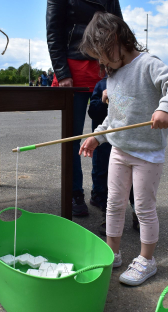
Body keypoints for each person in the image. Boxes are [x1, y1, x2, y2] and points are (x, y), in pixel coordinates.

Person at [79, 12, 168, 286]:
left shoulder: (148, 63)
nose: (101, 62)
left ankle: (146, 260)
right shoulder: (113, 74)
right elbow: (116, 116)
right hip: (119, 151)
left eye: (102, 54)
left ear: (116, 39)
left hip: (147, 154)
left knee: (143, 207)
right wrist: (98, 136)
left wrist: (166, 107)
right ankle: (112, 252)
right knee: (113, 204)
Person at [46, 0, 124, 216]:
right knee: (72, 138)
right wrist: (62, 73)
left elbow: (119, 28)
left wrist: (120, 70)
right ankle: (74, 193)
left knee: (106, 136)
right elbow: (54, 32)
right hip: (73, 68)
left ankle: (101, 192)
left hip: (105, 66)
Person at [88, 76, 137, 235]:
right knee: (102, 175)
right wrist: (103, 100)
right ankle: (106, 212)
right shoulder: (101, 84)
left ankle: (137, 212)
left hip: (127, 142)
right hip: (104, 144)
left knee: (132, 178)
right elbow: (93, 112)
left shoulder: (133, 84)